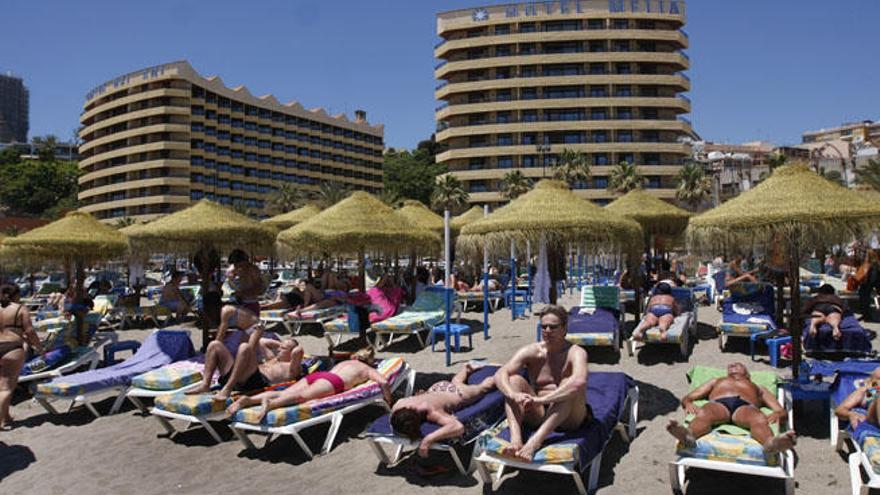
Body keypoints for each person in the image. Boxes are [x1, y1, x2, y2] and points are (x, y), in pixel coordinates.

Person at [494, 305, 589, 461]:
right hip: (539, 412)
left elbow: (579, 382)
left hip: (569, 416)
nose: (547, 331)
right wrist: (513, 394)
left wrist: (541, 399)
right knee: (513, 380)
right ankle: (516, 441)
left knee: (568, 383)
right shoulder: (533, 351)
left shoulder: (575, 352)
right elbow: (500, 373)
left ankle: (533, 443)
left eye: (553, 327)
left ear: (564, 328)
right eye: (544, 326)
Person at [666, 362, 796, 455]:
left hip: (745, 407)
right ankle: (689, 436)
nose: (731, 366)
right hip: (719, 404)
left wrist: (779, 414)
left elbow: (780, 410)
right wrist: (688, 403)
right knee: (705, 412)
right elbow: (689, 397)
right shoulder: (717, 381)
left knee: (759, 418)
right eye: (730, 366)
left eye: (737, 365)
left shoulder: (758, 387)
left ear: (747, 373)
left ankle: (770, 443)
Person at [226, 347, 390, 421]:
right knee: (301, 397)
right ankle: (271, 404)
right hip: (334, 382)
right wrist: (388, 399)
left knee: (286, 392)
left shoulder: (345, 362)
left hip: (321, 375)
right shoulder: (366, 368)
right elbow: (383, 381)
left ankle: (248, 400)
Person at [390, 363, 495, 457]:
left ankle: (500, 376)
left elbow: (458, 427)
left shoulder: (430, 412)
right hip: (437, 388)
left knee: (483, 388)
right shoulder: (399, 404)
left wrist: (428, 440)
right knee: (456, 381)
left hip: (457, 393)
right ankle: (466, 369)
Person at [187, 324, 304, 400]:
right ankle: (205, 385)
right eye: (280, 347)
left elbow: (298, 351)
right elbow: (262, 342)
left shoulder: (292, 367)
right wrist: (283, 344)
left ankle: (227, 388)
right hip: (240, 376)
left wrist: (291, 346)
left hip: (254, 383)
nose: (279, 349)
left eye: (283, 349)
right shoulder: (272, 358)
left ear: (291, 353)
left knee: (245, 347)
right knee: (214, 345)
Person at [0, 284, 44, 429]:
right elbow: (30, 331)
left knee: (1, 386)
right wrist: (39, 348)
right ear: (16, 295)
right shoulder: (20, 308)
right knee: (6, 388)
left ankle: (5, 417)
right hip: (12, 348)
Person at [216, 249, 265, 343]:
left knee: (246, 332)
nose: (236, 266)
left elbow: (259, 289)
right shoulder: (240, 269)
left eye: (237, 264)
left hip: (251, 304)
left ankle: (217, 344)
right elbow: (230, 273)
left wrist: (243, 293)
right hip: (244, 302)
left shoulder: (252, 270)